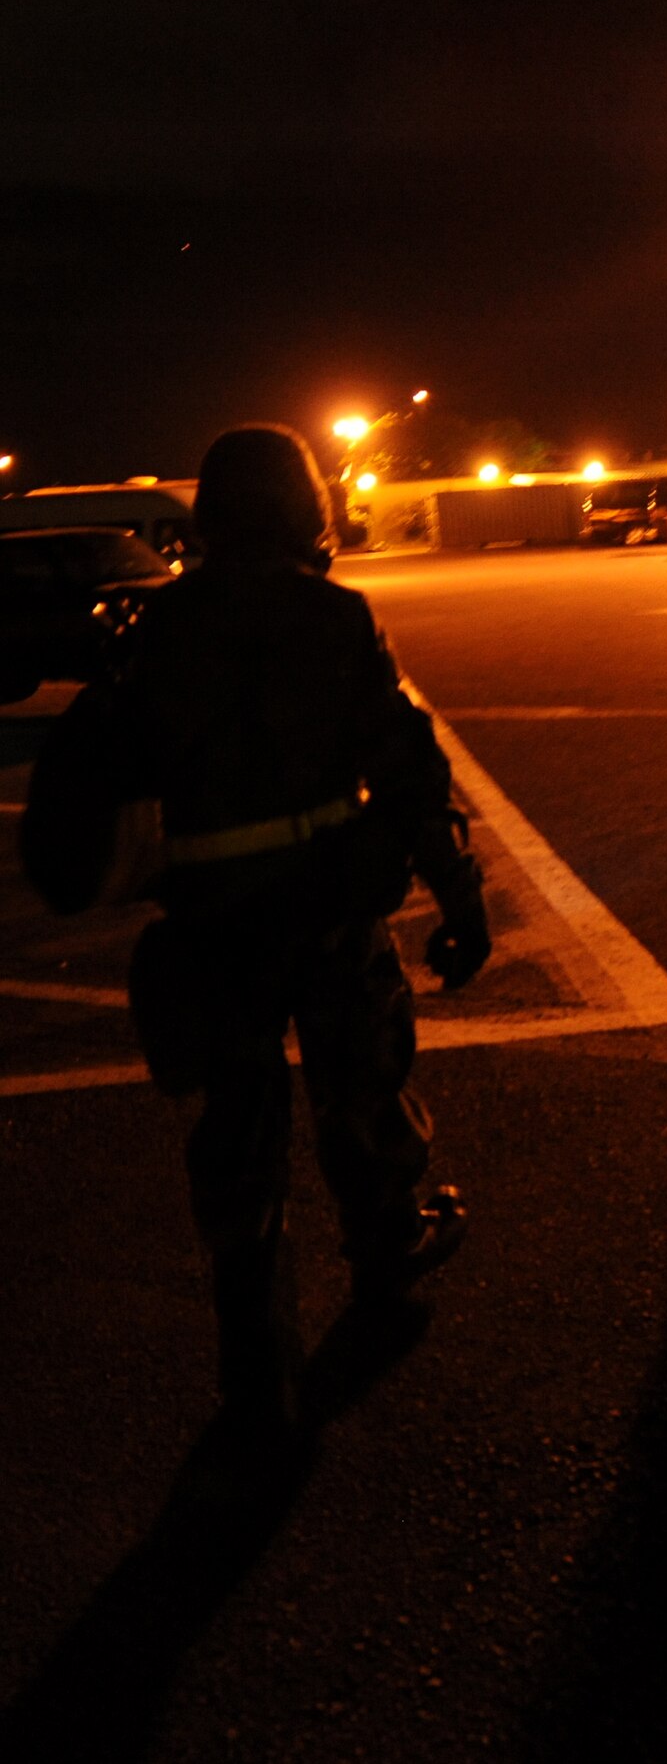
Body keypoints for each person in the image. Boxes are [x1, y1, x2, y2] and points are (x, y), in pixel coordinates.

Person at [52, 424, 491, 1436]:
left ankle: (253, 1348)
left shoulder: (154, 629)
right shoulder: (333, 615)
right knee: (361, 1089)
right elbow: (411, 764)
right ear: (306, 507)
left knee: (237, 1127)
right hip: (328, 903)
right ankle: (386, 1250)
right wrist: (458, 896)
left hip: (210, 916)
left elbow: (114, 773)